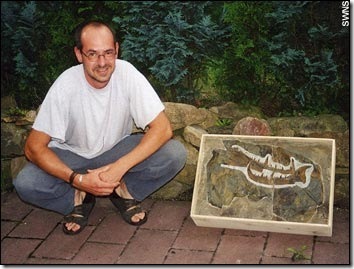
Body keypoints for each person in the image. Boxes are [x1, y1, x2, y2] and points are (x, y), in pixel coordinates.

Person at [13, 20, 187, 235]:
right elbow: (33, 148)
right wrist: (77, 180)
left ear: (117, 49)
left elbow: (162, 129)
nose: (102, 62)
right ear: (79, 54)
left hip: (115, 152)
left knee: (174, 153)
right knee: (26, 183)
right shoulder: (65, 84)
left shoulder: (128, 73)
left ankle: (122, 191)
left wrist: (119, 168)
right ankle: (78, 197)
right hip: (72, 157)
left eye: (108, 52)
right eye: (92, 54)